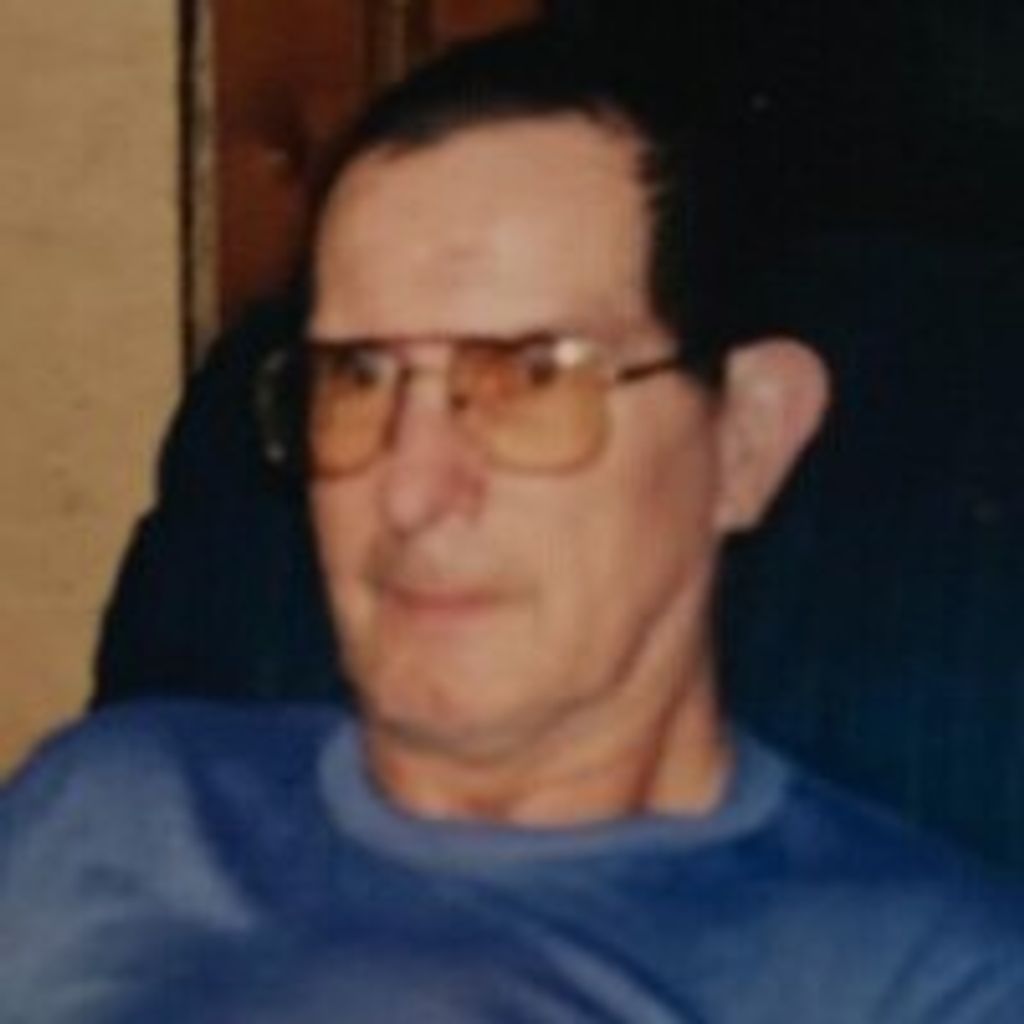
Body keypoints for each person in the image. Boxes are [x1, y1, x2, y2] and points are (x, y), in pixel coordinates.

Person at [2, 23, 1022, 1024]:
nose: (411, 491)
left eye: (534, 378)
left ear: (746, 439)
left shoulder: (917, 982)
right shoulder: (110, 810)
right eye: (359, 376)